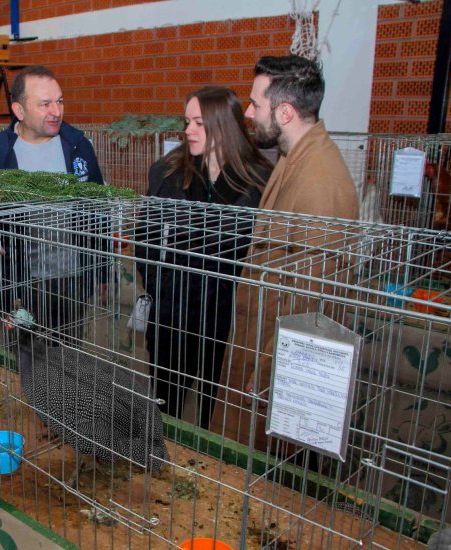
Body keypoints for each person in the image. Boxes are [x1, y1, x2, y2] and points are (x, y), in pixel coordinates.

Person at [209, 55, 359, 450]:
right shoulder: (296, 158)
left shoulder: (319, 181)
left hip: (281, 370)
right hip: (259, 347)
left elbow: (315, 301)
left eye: (257, 104)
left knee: (272, 478)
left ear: (286, 111)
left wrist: (271, 372)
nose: (250, 112)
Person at [135, 87, 272, 429]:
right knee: (166, 404)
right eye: (187, 121)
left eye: (199, 122)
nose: (188, 130)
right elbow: (145, 240)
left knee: (219, 407)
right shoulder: (167, 173)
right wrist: (160, 285)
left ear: (224, 126)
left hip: (226, 317)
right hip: (173, 312)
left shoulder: (259, 180)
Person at [0, 65, 106, 340]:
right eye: (45, 104)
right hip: (20, 284)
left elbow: (98, 211)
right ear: (19, 110)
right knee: (28, 364)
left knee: (69, 361)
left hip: (73, 280)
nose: (56, 111)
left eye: (60, 101)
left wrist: (100, 272)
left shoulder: (78, 146)